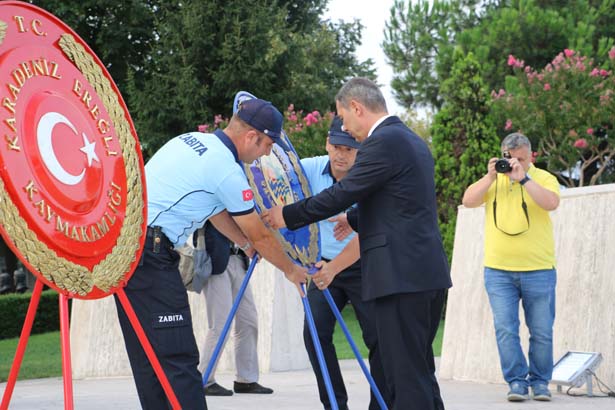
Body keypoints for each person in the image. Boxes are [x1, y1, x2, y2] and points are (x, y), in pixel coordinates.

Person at [263, 78, 452, 410]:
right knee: (420, 373)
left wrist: (288, 215)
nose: (346, 128)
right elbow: (402, 206)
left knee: (405, 380)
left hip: (400, 277)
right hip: (422, 274)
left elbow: (341, 194)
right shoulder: (410, 140)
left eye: (343, 117)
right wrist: (353, 220)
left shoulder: (383, 142)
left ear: (356, 108)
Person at [114, 98, 308, 410]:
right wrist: (291, 270)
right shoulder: (225, 169)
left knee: (148, 356)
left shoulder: (191, 140)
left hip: (128, 250)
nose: (266, 155)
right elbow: (260, 233)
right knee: (178, 356)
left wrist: (243, 243)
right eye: (268, 145)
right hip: (150, 254)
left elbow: (215, 210)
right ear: (251, 137)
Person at [462, 132, 559, 402]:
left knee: (541, 332)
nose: (515, 163)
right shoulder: (495, 179)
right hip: (498, 271)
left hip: (539, 269)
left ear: (531, 157)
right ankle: (516, 382)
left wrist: (524, 179)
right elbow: (468, 200)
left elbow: (551, 203)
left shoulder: (543, 178)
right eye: (510, 158)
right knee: (506, 330)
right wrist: (490, 177)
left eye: (521, 159)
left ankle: (540, 383)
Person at [301, 116, 389, 410]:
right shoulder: (309, 169)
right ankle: (334, 405)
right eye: (336, 146)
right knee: (314, 334)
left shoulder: (370, 176)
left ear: (360, 150)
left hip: (365, 264)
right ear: (327, 143)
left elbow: (368, 233)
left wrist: (333, 268)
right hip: (323, 266)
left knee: (379, 338)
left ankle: (380, 405)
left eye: (349, 149)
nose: (341, 155)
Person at [197, 221, 273, 396]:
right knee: (220, 324)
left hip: (239, 258)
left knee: (249, 320)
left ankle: (246, 380)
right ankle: (204, 379)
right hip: (215, 260)